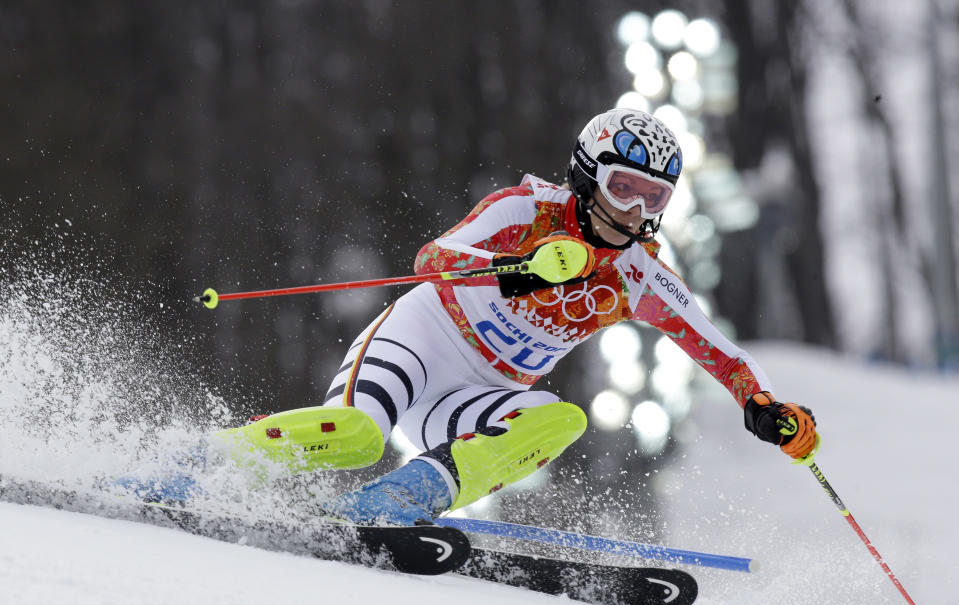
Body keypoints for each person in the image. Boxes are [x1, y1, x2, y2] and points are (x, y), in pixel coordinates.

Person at [122, 108, 820, 523]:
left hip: (477, 390)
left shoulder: (638, 272)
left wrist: (764, 405)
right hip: (421, 339)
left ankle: (405, 497)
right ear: (587, 174)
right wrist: (521, 267)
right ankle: (195, 462)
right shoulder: (527, 209)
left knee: (562, 418)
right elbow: (434, 257)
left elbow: (712, 345)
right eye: (622, 188)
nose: (635, 212)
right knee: (358, 435)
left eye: (653, 198)